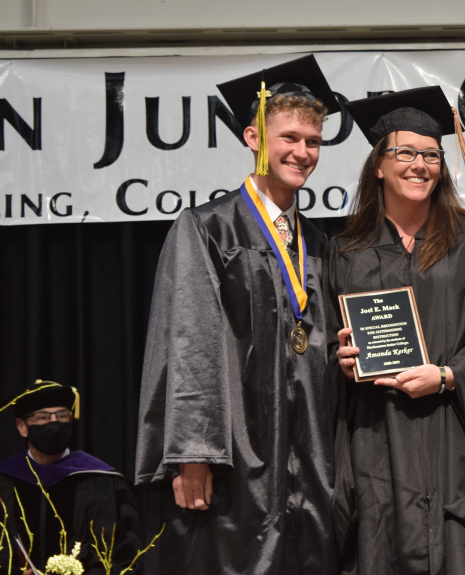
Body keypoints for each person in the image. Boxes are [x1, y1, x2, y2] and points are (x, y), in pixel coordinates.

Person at [135, 55, 339, 574]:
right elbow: (189, 341)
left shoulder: (317, 243)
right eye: (289, 137)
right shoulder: (209, 229)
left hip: (308, 454)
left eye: (312, 141)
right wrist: (192, 451)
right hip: (237, 453)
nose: (302, 152)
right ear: (254, 138)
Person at [324, 87, 465, 574]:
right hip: (375, 440)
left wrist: (447, 375)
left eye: (432, 155)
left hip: (453, 439)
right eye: (405, 152)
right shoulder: (344, 250)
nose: (420, 164)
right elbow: (326, 345)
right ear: (378, 164)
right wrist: (339, 359)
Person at [0, 380, 142, 574]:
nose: (55, 423)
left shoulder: (102, 481)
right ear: (22, 426)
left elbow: (120, 551)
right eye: (43, 418)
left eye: (62, 416)